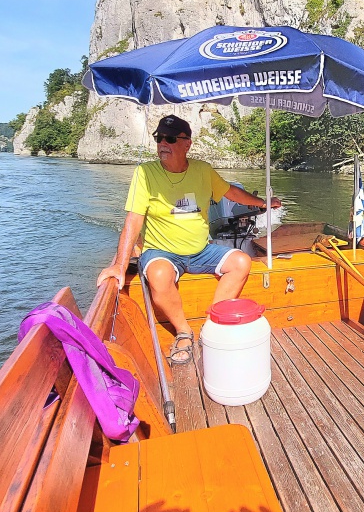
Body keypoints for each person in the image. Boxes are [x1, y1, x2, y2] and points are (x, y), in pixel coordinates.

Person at [97, 114, 281, 364]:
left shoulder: (202, 170)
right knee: (160, 276)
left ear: (187, 144)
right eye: (159, 138)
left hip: (200, 250)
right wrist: (119, 265)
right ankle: (184, 331)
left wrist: (263, 203)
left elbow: (231, 192)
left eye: (170, 138)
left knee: (241, 262)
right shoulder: (145, 173)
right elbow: (134, 219)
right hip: (161, 252)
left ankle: (212, 324)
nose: (163, 143)